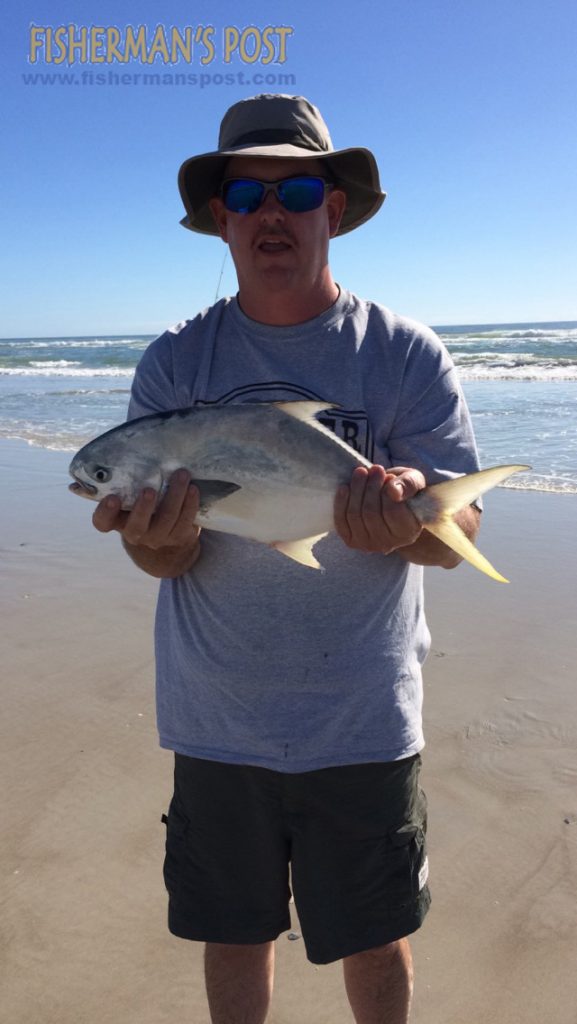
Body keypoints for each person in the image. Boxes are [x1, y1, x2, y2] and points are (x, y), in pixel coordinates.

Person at [93, 94, 481, 1024]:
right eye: (248, 192)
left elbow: (456, 544)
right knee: (233, 934)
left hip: (361, 713)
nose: (273, 211)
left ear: (332, 211)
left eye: (298, 188)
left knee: (374, 935)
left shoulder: (403, 355)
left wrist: (411, 525)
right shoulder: (175, 364)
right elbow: (166, 565)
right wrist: (163, 540)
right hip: (216, 712)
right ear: (220, 216)